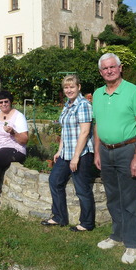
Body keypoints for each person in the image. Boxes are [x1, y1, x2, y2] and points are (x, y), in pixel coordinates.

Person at [92, 53, 136, 264]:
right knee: (113, 197)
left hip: (127, 150)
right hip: (105, 151)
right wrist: (97, 152)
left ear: (120, 67)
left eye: (112, 67)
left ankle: (132, 244)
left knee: (129, 198)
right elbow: (97, 125)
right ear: (101, 72)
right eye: (105, 68)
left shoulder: (133, 91)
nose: (109, 71)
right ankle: (116, 236)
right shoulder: (98, 94)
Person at [42, 75, 95, 231]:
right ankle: (59, 217)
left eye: (72, 87)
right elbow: (65, 130)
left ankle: (87, 223)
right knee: (54, 180)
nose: (69, 90)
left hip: (81, 154)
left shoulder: (83, 105)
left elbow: (84, 132)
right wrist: (59, 150)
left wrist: (76, 157)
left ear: (78, 87)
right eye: (66, 87)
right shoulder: (67, 105)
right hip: (66, 153)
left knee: (82, 189)